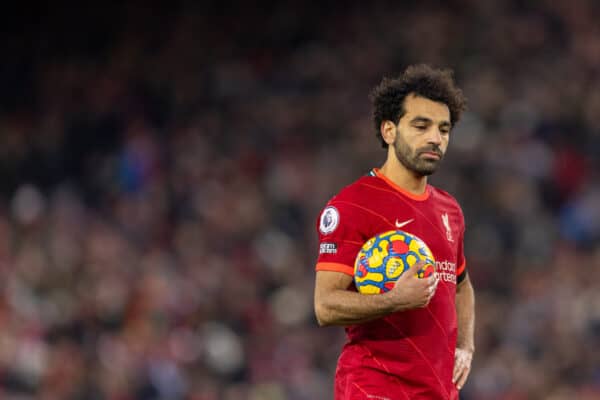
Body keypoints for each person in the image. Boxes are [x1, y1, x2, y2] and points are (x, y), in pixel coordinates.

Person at [313, 64, 475, 400]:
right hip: (375, 387)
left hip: (438, 391)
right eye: (421, 125)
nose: (435, 138)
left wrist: (466, 346)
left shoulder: (449, 210)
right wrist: (395, 300)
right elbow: (325, 306)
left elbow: (461, 286)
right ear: (389, 130)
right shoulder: (353, 205)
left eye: (444, 129)